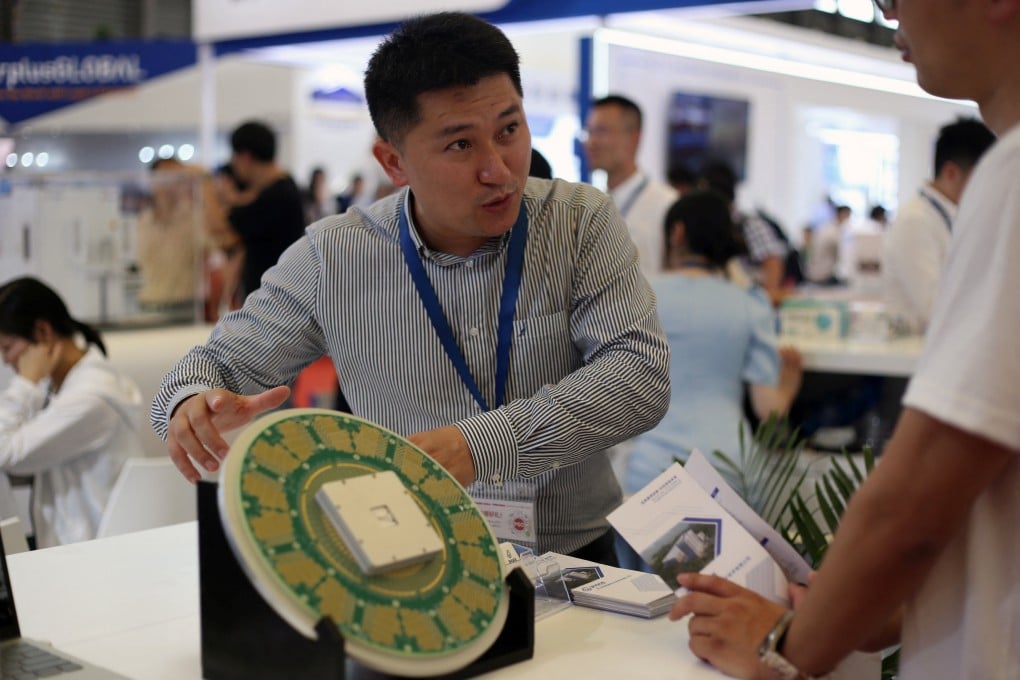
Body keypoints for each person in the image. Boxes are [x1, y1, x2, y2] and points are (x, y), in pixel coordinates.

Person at [151, 12, 670, 563]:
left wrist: (478, 447)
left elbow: (638, 377)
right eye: (460, 146)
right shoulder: (336, 256)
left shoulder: (578, 221)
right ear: (394, 161)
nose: (500, 170)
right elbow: (209, 369)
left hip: (571, 556)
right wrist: (192, 404)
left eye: (509, 130)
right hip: (405, 559)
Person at [669, 0, 1020, 678]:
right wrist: (858, 610)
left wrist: (784, 650)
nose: (886, 7)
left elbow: (915, 505)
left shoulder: (1011, 178)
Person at [617, 191, 802, 569]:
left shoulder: (639, 294)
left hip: (649, 471)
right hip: (731, 474)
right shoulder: (751, 303)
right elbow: (769, 412)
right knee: (722, 596)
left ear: (677, 232)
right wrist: (791, 381)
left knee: (645, 608)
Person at [0, 277, 144, 548]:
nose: (6, 360)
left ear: (43, 331)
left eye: (8, 347)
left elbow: (5, 452)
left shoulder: (90, 398)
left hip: (94, 554)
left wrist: (25, 384)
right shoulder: (60, 387)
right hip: (73, 547)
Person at [882, 117, 995, 333]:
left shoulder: (948, 216)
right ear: (951, 173)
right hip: (912, 352)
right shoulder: (915, 220)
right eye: (981, 178)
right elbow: (934, 307)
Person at [583, 95, 677, 279]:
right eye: (589, 131)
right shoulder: (593, 204)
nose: (591, 142)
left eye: (601, 131)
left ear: (634, 138)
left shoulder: (666, 205)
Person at [218, 120, 307, 299]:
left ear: (246, 157)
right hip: (274, 296)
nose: (234, 164)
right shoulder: (280, 187)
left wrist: (204, 184)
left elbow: (223, 228)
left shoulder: (277, 195)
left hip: (274, 302)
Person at [699, 162, 788, 305]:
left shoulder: (748, 225)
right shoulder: (707, 226)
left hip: (749, 298)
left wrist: (764, 302)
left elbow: (772, 262)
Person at [805, 204, 851, 285]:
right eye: (848, 216)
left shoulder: (826, 228)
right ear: (842, 214)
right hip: (823, 275)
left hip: (815, 272)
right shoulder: (833, 232)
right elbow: (843, 254)